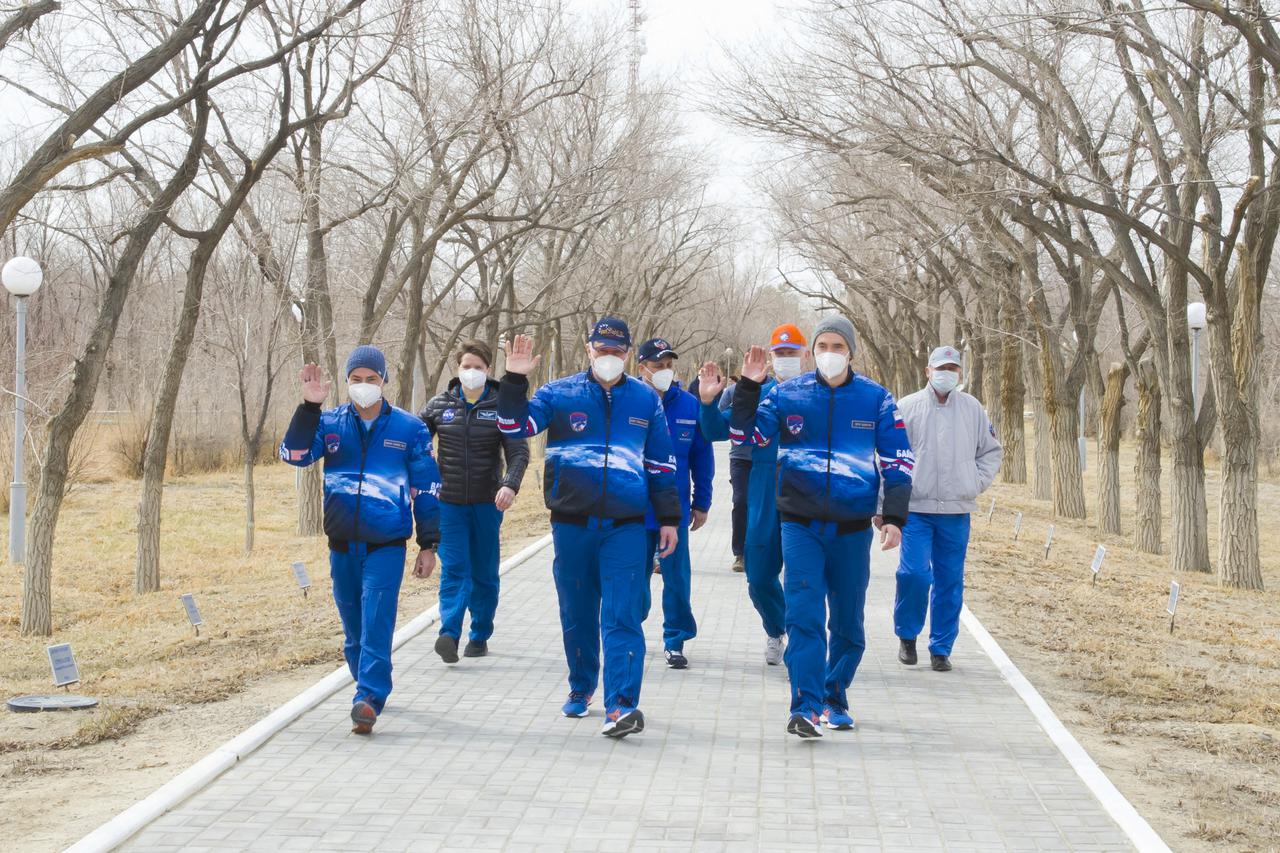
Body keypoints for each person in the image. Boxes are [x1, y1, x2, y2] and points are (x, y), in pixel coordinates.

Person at [713, 316, 913, 739]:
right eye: (822, 344)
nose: (829, 353)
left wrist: (894, 517)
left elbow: (898, 461)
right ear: (812, 351)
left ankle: (835, 696)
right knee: (804, 615)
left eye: (837, 345)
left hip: (852, 528)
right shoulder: (788, 395)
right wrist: (749, 387)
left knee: (847, 623)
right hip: (799, 524)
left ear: (851, 352)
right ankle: (804, 705)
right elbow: (746, 436)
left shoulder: (876, 400)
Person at [498, 318, 681, 739]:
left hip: (627, 527)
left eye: (618, 352)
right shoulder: (557, 394)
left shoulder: (645, 401)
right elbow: (514, 426)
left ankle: (621, 705)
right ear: (589, 350)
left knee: (623, 615)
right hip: (572, 523)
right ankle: (581, 687)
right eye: (603, 350)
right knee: (578, 614)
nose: (610, 358)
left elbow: (660, 463)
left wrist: (668, 518)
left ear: (629, 355)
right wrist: (513, 379)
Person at [279, 346, 441, 735]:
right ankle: (365, 680)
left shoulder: (410, 429)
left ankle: (368, 697)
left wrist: (429, 544)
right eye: (356, 379)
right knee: (354, 629)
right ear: (347, 381)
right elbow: (295, 454)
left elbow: (428, 488)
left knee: (377, 618)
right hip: (341, 546)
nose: (364, 386)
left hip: (386, 545)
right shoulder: (329, 423)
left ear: (384, 381)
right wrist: (308, 407)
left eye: (371, 379)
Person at [698, 324, 808, 666]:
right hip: (764, 491)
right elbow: (716, 430)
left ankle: (804, 638)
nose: (786, 359)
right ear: (772, 358)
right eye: (780, 354)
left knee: (805, 580)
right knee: (758, 577)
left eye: (792, 353)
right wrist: (707, 401)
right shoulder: (759, 394)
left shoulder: (819, 394)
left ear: (806, 356)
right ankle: (777, 629)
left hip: (807, 496)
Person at [891, 345, 1002, 672]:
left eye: (953, 369)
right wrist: (887, 506)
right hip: (917, 509)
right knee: (913, 573)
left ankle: (941, 647)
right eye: (941, 368)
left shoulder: (972, 409)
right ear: (928, 371)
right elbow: (890, 457)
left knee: (949, 580)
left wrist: (974, 482)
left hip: (956, 511)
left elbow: (991, 452)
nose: (946, 374)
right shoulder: (907, 407)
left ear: (960, 374)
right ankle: (907, 635)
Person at [420, 340, 530, 664]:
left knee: (483, 573)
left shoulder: (501, 406)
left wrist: (510, 485)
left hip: (487, 503)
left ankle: (479, 634)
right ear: (458, 369)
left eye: (478, 368)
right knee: (455, 568)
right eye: (466, 366)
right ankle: (449, 634)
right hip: (448, 504)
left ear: (488, 371)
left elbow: (519, 452)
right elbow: (416, 442)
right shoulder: (439, 405)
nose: (471, 372)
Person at [636, 337, 714, 670]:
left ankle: (675, 640)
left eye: (669, 365)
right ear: (642, 369)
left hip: (675, 511)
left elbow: (702, 456)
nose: (665, 371)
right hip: (632, 509)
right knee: (632, 580)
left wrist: (702, 502)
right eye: (657, 366)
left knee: (677, 579)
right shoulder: (629, 401)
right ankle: (629, 632)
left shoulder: (689, 405)